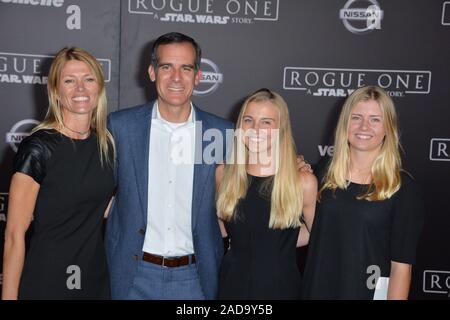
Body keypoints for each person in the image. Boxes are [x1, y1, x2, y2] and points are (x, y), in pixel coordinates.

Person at [105, 32, 233, 300]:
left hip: (196, 279)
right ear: (152, 72)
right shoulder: (120, 128)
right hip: (133, 276)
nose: (176, 77)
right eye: (167, 67)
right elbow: (92, 190)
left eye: (185, 68)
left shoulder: (222, 133)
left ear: (198, 76)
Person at [2, 47, 115, 300]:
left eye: (88, 79)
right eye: (69, 81)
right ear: (55, 91)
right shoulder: (39, 148)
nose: (80, 89)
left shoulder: (106, 145)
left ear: (99, 87)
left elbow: (106, 207)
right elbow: (14, 236)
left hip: (95, 278)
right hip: (49, 279)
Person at [301, 85, 425, 300]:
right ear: (345, 123)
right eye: (356, 117)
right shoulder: (323, 173)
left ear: (388, 127)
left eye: (375, 119)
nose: (364, 127)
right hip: (318, 290)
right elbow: (313, 232)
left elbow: (400, 270)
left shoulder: (402, 188)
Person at [216, 88, 317, 299]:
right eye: (248, 120)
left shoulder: (302, 182)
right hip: (232, 286)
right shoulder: (225, 174)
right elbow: (222, 229)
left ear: (281, 129)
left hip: (280, 288)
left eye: (266, 122)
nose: (255, 129)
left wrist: (280, 242)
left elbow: (317, 236)